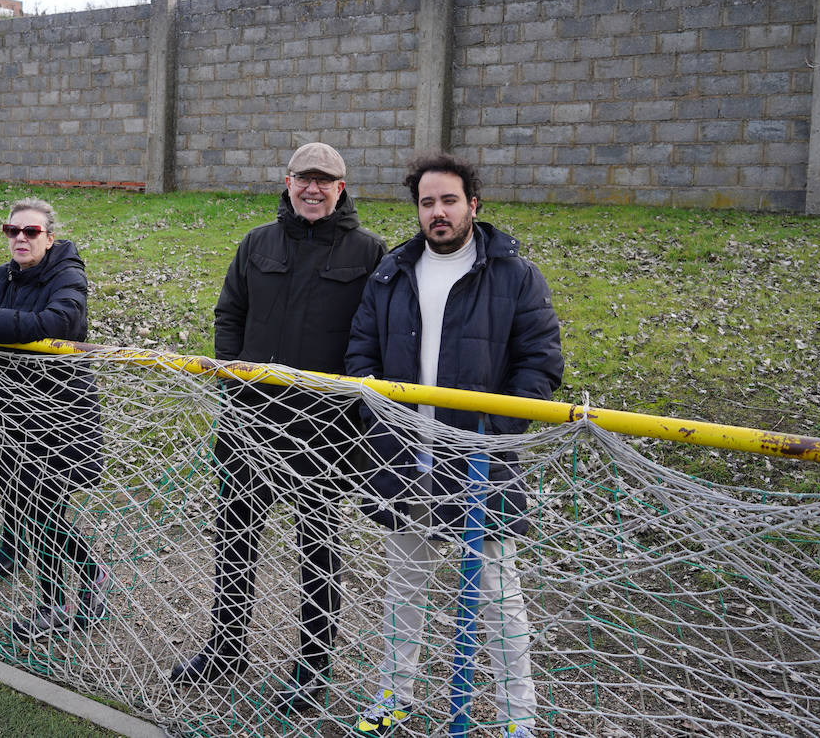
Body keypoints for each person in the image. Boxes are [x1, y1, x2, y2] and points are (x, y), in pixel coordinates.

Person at [345, 152, 563, 738]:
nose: (437, 212)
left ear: (473, 204)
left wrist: (494, 435)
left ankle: (520, 715)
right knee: (404, 590)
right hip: (403, 458)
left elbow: (540, 364)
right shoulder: (392, 273)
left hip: (478, 463)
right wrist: (379, 420)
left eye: (448, 200)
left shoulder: (514, 275)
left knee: (497, 596)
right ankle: (396, 695)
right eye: (426, 202)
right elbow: (361, 352)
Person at [170, 142, 387, 713]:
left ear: (342, 189)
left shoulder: (369, 253)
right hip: (250, 421)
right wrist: (232, 383)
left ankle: (312, 667)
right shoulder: (256, 244)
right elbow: (229, 314)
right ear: (287, 183)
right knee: (235, 539)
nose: (312, 189)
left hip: (326, 428)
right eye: (303, 179)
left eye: (325, 181)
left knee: (317, 550)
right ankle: (225, 646)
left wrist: (358, 406)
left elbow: (375, 334)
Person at [0, 198, 107, 639]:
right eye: (11, 230)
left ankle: (57, 600)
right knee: (29, 506)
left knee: (43, 507)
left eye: (30, 232)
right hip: (9, 410)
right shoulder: (1, 277)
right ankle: (89, 575)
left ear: (49, 237)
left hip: (59, 413)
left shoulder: (67, 274)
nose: (19, 238)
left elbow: (58, 321)